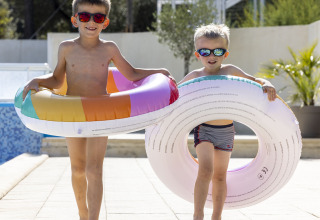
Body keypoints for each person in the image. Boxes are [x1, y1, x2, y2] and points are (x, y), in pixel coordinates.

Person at [22, 0, 174, 219]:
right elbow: (57, 79)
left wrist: (158, 72)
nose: (91, 21)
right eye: (85, 16)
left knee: (94, 170)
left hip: (100, 115)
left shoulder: (109, 48)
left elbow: (130, 74)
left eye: (98, 17)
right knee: (77, 169)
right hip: (72, 112)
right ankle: (82, 213)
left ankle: (92, 217)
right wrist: (39, 80)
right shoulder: (67, 48)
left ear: (106, 22)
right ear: (75, 20)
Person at [179, 23, 276, 220]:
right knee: (205, 170)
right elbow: (175, 92)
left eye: (218, 51)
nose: (211, 56)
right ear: (197, 54)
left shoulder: (231, 71)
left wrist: (267, 83)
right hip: (204, 129)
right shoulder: (195, 76)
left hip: (226, 131)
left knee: (220, 176)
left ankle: (217, 216)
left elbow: (254, 82)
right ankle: (198, 214)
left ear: (226, 53)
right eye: (205, 51)